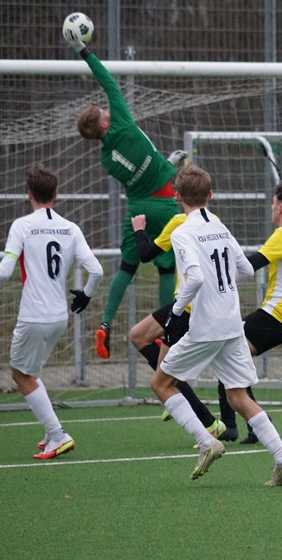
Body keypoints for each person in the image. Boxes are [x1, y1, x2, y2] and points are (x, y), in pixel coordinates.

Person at [150, 165, 282, 486]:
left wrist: (175, 311)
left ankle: (207, 442)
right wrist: (223, 288)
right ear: (210, 195)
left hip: (206, 326)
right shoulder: (219, 226)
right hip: (232, 324)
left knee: (161, 384)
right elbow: (245, 270)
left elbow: (195, 278)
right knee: (237, 395)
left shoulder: (182, 232)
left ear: (177, 196)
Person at [0, 164, 103, 459]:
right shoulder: (71, 227)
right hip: (59, 317)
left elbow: (5, 270)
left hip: (33, 316)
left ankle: (58, 435)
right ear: (56, 194)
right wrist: (86, 295)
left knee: (20, 374)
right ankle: (51, 432)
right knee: (31, 372)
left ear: (29, 194)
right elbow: (97, 270)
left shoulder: (22, 225)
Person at [65, 25, 181, 360]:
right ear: (105, 124)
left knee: (127, 268)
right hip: (164, 204)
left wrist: (165, 162)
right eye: (105, 112)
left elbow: (139, 170)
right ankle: (166, 329)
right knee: (166, 267)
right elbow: (107, 80)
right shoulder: (123, 122)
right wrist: (84, 51)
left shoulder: (106, 159)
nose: (108, 110)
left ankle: (105, 323)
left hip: (137, 211)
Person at [215, 182, 282, 443]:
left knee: (226, 352)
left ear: (280, 208)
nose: (271, 209)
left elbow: (250, 265)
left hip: (275, 315)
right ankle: (249, 424)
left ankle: (235, 425)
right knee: (231, 354)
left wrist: (219, 282)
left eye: (272, 204)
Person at [131, 211, 227, 439]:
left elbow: (146, 254)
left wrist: (139, 230)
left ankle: (208, 424)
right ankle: (185, 401)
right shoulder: (215, 221)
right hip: (201, 304)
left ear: (178, 196)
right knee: (139, 335)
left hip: (188, 308)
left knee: (163, 380)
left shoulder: (178, 222)